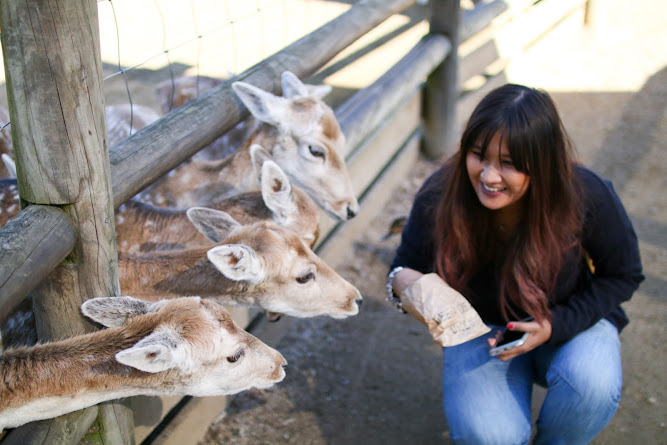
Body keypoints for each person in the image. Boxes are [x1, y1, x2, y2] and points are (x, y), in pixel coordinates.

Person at [387, 83, 644, 444]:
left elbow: (623, 274)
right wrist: (414, 289)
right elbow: (401, 269)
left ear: (542, 163)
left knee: (593, 385)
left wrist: (554, 324)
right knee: (490, 436)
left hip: (567, 319)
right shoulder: (440, 193)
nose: (489, 176)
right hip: (481, 334)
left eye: (508, 164)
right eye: (479, 155)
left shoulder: (585, 193)